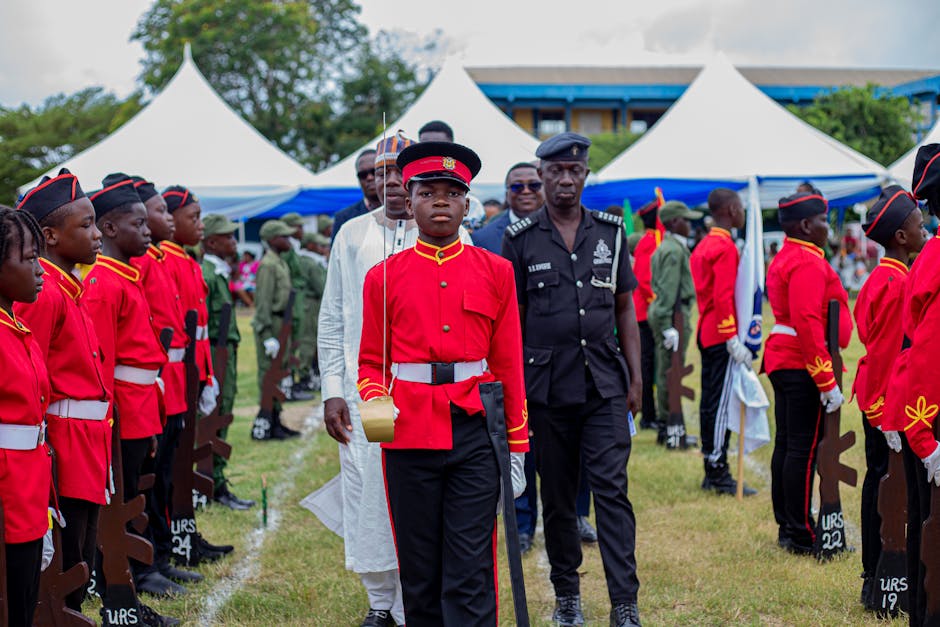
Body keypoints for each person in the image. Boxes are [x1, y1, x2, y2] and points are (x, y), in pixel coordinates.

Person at [358, 140, 527, 626]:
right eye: (427, 192)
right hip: (408, 428)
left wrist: (516, 447)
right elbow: (371, 361)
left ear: (466, 205)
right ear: (408, 203)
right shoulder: (382, 278)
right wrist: (374, 401)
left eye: (451, 193)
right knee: (419, 565)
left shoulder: (496, 271)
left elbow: (509, 361)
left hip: (476, 427)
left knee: (471, 564)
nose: (439, 201)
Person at [502, 132, 643, 627]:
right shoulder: (519, 239)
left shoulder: (610, 232)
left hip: (604, 383)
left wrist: (636, 378)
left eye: (575, 171)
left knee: (612, 493)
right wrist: (514, 392)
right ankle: (568, 598)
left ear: (585, 176)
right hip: (545, 391)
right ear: (540, 177)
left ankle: (625, 603)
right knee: (558, 499)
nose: (566, 180)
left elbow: (625, 306)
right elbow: (511, 321)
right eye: (556, 171)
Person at [320, 133, 422, 627]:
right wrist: (332, 391)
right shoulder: (352, 234)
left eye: (402, 173)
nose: (393, 183)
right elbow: (333, 317)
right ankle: (381, 602)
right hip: (366, 392)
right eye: (383, 173)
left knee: (415, 492)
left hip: (424, 390)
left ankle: (417, 598)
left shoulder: (446, 233)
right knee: (367, 492)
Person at [14, 170, 112, 614]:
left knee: (82, 555)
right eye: (86, 225)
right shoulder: (44, 293)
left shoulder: (67, 287)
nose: (96, 235)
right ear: (50, 236)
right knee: (66, 561)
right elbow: (28, 379)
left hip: (86, 437)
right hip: (62, 440)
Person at [83, 178, 180, 626]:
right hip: (123, 408)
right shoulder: (104, 283)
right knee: (120, 504)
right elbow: (102, 361)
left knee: (137, 494)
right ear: (108, 227)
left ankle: (139, 575)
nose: (147, 231)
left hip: (142, 402)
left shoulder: (126, 277)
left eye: (147, 222)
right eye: (137, 222)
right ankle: (123, 589)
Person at [762, 191, 852, 556]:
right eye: (821, 221)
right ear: (804, 225)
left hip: (788, 359)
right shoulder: (807, 262)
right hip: (801, 363)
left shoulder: (790, 255)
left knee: (787, 445)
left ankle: (788, 524)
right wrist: (826, 379)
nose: (826, 228)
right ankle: (799, 532)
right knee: (800, 449)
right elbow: (808, 321)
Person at [126, 175, 203, 592]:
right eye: (158, 212)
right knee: (147, 479)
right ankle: (146, 561)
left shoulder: (154, 260)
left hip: (169, 377)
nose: (166, 220)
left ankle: (159, 553)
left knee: (165, 474)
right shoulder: (136, 264)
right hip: (150, 383)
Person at [852, 185, 926, 609]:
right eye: (919, 226)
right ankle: (879, 577)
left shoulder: (879, 276)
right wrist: (886, 415)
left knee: (876, 484)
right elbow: (886, 353)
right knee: (888, 489)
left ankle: (874, 573)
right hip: (887, 403)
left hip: (875, 399)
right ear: (900, 237)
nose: (924, 230)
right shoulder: (898, 284)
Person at [890, 144, 940, 626]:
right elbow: (927, 349)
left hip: (924, 403)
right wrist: (926, 438)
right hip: (932, 409)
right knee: (931, 527)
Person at [0, 206, 53, 627]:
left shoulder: (16, 327)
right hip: (8, 493)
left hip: (28, 486)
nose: (41, 269)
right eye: (30, 257)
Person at [689, 188, 755, 494]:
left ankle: (712, 465)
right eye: (740, 208)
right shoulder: (724, 246)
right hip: (719, 332)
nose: (742, 213)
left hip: (708, 328)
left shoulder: (706, 243)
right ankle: (716, 469)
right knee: (719, 405)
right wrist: (731, 337)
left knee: (711, 402)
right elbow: (722, 295)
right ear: (730, 209)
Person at [201, 214, 256, 510]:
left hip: (225, 353)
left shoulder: (219, 272)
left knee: (222, 413)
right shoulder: (208, 275)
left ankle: (216, 481)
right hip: (214, 353)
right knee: (214, 417)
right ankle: (212, 483)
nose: (234, 241)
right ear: (211, 242)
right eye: (228, 237)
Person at [647, 200, 701, 450]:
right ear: (673, 222)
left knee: (668, 369)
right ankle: (670, 428)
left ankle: (669, 426)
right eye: (685, 220)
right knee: (670, 371)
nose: (690, 225)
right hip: (673, 315)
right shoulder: (673, 250)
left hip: (672, 315)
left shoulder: (670, 247)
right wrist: (669, 324)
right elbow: (669, 290)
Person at [252, 219, 301, 441]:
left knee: (279, 373)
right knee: (269, 375)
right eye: (284, 236)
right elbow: (262, 302)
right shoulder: (268, 265)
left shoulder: (279, 262)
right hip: (271, 325)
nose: (289, 239)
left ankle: (276, 421)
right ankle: (266, 423)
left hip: (282, 324)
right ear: (273, 240)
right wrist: (266, 335)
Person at [631, 199, 664, 431]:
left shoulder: (653, 240)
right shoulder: (649, 242)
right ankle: (648, 415)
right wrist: (658, 304)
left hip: (646, 312)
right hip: (645, 314)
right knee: (648, 365)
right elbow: (644, 279)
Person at [280, 212, 318, 398]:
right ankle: (293, 385)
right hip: (294, 302)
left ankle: (295, 383)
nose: (302, 230)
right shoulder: (287, 251)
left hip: (299, 302)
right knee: (296, 345)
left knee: (297, 343)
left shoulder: (292, 249)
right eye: (298, 226)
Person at [471, 162, 543, 253]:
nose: (526, 191)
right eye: (517, 186)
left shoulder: (562, 228)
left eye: (534, 185)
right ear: (506, 194)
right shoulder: (482, 238)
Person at [298, 230, 329, 388]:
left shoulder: (303, 259)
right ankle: (304, 378)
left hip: (306, 303)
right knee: (308, 340)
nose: (322, 247)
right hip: (311, 305)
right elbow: (322, 286)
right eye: (318, 244)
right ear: (309, 245)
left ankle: (306, 375)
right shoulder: (311, 262)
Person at [331, 149, 381, 243]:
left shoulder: (402, 211)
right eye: (363, 175)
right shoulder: (344, 218)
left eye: (374, 171)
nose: (369, 177)